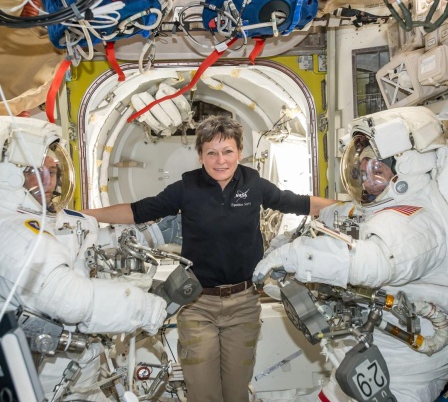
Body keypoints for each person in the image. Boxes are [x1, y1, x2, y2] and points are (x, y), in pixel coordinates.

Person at [82, 114, 338, 402]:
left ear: (239, 153)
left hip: (243, 304)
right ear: (200, 155)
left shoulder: (254, 184)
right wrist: (84, 216)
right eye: (211, 153)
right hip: (198, 304)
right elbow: (138, 210)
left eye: (228, 151)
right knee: (203, 393)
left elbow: (298, 203)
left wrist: (346, 208)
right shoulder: (186, 188)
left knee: (236, 392)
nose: (221, 160)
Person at [253, 106, 448, 402]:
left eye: (377, 171)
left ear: (408, 169)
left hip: (405, 373)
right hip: (370, 355)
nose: (367, 180)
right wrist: (291, 239)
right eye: (364, 168)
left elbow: (376, 263)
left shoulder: (418, 219)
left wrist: (297, 256)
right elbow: (338, 217)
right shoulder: (380, 208)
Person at [0, 116, 168, 401]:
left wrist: (156, 234)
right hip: (41, 369)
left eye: (53, 172)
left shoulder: (55, 219)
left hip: (80, 360)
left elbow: (93, 244)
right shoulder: (12, 230)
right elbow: (68, 300)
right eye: (36, 172)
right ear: (10, 176)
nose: (49, 181)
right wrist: (145, 308)